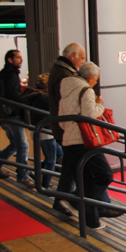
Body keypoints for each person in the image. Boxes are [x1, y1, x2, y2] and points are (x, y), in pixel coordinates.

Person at [56, 62, 114, 230]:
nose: (95, 83)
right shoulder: (86, 90)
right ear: (90, 78)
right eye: (96, 79)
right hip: (85, 141)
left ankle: (92, 221)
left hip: (69, 140)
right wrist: (100, 105)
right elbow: (90, 113)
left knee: (87, 179)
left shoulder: (66, 90)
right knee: (104, 175)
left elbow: (61, 119)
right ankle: (74, 200)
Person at [49, 43, 85, 215]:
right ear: (73, 56)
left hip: (62, 127)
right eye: (81, 58)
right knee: (76, 165)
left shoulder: (60, 70)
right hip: (67, 128)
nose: (82, 62)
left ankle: (63, 200)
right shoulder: (65, 75)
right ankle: (75, 200)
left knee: (70, 166)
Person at [0, 49, 33, 187]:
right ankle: (22, 176)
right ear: (10, 59)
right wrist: (25, 98)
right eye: (18, 57)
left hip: (2, 114)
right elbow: (13, 96)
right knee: (23, 145)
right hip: (12, 114)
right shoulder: (12, 75)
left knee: (15, 144)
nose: (21, 60)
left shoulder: (2, 74)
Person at [20, 73, 63, 189]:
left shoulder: (35, 95)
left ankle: (36, 171)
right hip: (46, 131)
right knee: (51, 160)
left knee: (59, 154)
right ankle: (45, 184)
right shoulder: (46, 98)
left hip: (39, 129)